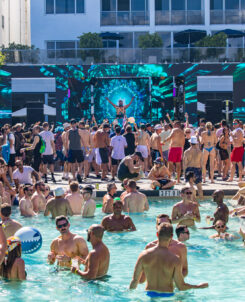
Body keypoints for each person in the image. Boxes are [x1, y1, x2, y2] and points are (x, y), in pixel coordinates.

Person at [129, 223, 208, 296]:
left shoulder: (144, 255)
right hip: (167, 296)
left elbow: (135, 281)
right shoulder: (175, 259)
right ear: (171, 236)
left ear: (157, 234)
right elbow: (181, 286)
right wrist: (198, 286)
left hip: (149, 294)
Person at [64, 119, 85, 183]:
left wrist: (66, 149)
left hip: (71, 149)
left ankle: (74, 177)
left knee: (72, 165)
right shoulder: (79, 131)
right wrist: (86, 149)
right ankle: (79, 173)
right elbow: (83, 140)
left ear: (70, 124)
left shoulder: (68, 131)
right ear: (76, 124)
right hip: (79, 149)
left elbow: (66, 141)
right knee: (80, 164)